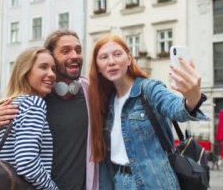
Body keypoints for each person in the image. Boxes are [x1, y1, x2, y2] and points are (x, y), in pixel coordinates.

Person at [0, 30, 98, 190]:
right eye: (65, 51)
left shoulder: (89, 91)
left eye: (78, 50)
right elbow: (25, 161)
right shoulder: (34, 101)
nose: (74, 55)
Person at [88, 34, 209, 189]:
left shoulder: (149, 89)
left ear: (129, 59)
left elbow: (176, 108)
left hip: (155, 182)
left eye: (117, 54)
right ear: (98, 67)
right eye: (104, 57)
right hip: (120, 182)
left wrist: (192, 97)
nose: (111, 61)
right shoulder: (106, 102)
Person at [0, 47, 58, 189]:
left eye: (53, 69)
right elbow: (27, 162)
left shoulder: (6, 104)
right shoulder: (34, 103)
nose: (52, 74)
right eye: (43, 67)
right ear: (25, 72)